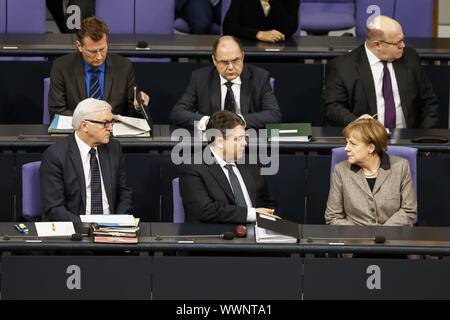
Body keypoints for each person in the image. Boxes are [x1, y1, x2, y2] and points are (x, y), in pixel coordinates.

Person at [322, 15, 439, 129]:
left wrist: (425, 139)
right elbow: (333, 108)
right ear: (377, 44)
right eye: (397, 43)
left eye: (403, 39)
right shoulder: (344, 66)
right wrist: (357, 123)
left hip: (407, 138)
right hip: (365, 141)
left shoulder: (410, 57)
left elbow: (428, 102)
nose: (402, 45)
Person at [40, 98, 134, 222]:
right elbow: (55, 208)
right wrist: (87, 227)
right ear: (84, 125)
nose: (110, 128)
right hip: (74, 230)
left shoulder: (114, 148)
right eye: (105, 123)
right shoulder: (55, 155)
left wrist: (118, 223)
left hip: (111, 230)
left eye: (111, 122)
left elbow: (125, 194)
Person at [179, 110, 277, 223]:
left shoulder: (251, 163)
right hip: (218, 235)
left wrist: (271, 221)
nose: (245, 143)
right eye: (238, 139)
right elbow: (205, 210)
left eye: (244, 137)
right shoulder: (192, 168)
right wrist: (252, 214)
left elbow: (268, 203)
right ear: (220, 142)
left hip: (258, 234)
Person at [48, 16, 149, 121]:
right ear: (79, 46)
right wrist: (93, 122)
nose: (99, 56)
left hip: (112, 131)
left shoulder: (124, 67)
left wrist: (138, 107)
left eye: (103, 49)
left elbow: (131, 115)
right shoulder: (62, 67)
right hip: (79, 131)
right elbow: (57, 112)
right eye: (92, 52)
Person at [169, 35, 281, 130]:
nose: (231, 67)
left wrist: (237, 122)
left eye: (236, 60)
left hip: (247, 142)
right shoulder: (200, 78)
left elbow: (273, 115)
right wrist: (209, 122)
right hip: (213, 143)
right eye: (224, 62)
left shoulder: (259, 77)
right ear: (214, 60)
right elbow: (177, 113)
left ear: (242, 56)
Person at [325, 118, 417, 226]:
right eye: (347, 143)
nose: (346, 148)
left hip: (393, 236)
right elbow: (333, 216)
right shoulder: (340, 170)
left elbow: (408, 211)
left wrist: (381, 233)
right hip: (355, 239)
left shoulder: (401, 167)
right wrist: (362, 236)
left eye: (353, 144)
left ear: (371, 147)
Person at [222, 0, 300, 42]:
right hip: (248, 48)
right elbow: (228, 27)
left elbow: (291, 27)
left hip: (281, 49)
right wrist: (257, 34)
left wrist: (273, 2)